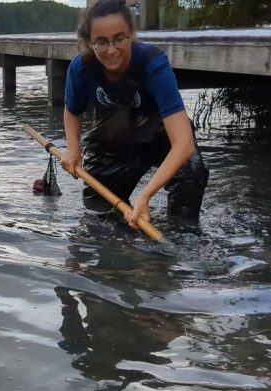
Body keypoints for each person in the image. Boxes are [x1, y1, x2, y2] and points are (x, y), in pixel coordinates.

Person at [60, 0, 208, 229]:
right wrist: (73, 149)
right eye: (101, 42)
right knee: (100, 218)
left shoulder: (153, 63)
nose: (111, 49)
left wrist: (146, 196)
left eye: (119, 38)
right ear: (90, 42)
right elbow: (72, 112)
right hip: (112, 142)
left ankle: (181, 232)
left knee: (192, 169)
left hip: (157, 136)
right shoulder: (80, 69)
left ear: (131, 34)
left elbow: (183, 142)